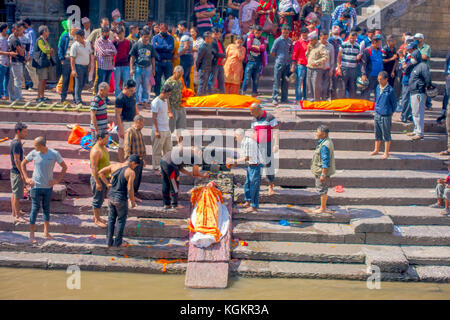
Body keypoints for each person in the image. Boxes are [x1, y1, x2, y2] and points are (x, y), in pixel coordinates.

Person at [21, 137, 67, 244]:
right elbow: (23, 164)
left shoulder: (54, 154)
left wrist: (57, 180)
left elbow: (64, 167)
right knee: (35, 209)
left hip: (48, 187)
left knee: (46, 208)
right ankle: (32, 235)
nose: (34, 147)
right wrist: (27, 179)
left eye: (35, 145)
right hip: (35, 186)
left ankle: (46, 232)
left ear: (41, 146)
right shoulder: (34, 153)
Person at [98, 155, 139, 247]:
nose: (135, 167)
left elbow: (100, 172)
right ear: (132, 162)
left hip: (111, 197)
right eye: (135, 165)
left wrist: (107, 184)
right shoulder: (130, 172)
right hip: (120, 199)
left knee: (111, 219)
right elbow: (130, 188)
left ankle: (108, 242)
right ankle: (118, 242)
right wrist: (132, 201)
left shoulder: (114, 165)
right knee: (121, 220)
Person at [250, 103, 279, 196]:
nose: (251, 113)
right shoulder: (254, 119)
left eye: (252, 111)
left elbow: (276, 132)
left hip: (267, 145)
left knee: (269, 165)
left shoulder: (270, 117)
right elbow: (254, 132)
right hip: (256, 145)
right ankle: (256, 187)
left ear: (258, 110)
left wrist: (276, 144)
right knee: (256, 165)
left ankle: (270, 186)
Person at [232, 129, 263, 213]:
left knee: (254, 186)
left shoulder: (249, 142)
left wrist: (235, 161)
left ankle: (254, 206)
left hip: (256, 166)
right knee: (247, 184)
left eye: (235, 136)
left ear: (239, 136)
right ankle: (248, 201)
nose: (234, 138)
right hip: (251, 165)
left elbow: (247, 157)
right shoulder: (244, 142)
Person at [370, 71, 397, 159]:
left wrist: (390, 112)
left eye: (381, 79)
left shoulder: (390, 90)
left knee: (386, 134)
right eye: (378, 79)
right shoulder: (378, 87)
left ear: (386, 79)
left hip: (386, 115)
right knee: (377, 132)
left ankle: (386, 152)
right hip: (377, 113)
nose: (379, 81)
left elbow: (394, 104)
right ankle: (376, 149)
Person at [311, 125, 335, 214]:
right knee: (322, 189)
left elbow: (325, 161)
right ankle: (322, 205)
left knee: (322, 189)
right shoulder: (325, 141)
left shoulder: (325, 146)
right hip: (321, 170)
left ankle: (323, 208)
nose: (316, 133)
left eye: (317, 132)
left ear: (323, 134)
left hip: (322, 171)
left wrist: (323, 174)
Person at [408, 48, 431, 140]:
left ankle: (420, 132)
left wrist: (428, 86)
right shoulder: (415, 66)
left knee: (419, 113)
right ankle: (416, 130)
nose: (411, 58)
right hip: (413, 92)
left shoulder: (423, 65)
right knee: (414, 113)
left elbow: (427, 78)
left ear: (417, 57)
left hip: (419, 92)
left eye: (413, 57)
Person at [130, 29, 156, 107]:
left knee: (145, 86)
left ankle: (145, 100)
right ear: (141, 36)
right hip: (138, 68)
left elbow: (153, 58)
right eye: (145, 37)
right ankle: (136, 101)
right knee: (136, 86)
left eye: (148, 37)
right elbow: (132, 58)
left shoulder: (150, 46)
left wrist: (153, 69)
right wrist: (131, 68)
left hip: (147, 68)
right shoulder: (136, 45)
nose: (146, 39)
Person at [89, 130, 110, 228]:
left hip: (105, 177)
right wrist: (97, 182)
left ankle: (98, 217)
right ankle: (96, 219)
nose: (107, 140)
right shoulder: (95, 151)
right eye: (106, 139)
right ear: (100, 139)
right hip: (98, 179)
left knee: (101, 199)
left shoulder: (104, 147)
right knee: (97, 199)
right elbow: (93, 167)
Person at [151, 84, 174, 174]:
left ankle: (167, 166)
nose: (169, 96)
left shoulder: (166, 100)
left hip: (166, 129)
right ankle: (156, 168)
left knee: (168, 149)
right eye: (168, 94)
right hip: (159, 129)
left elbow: (168, 109)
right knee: (157, 150)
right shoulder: (155, 102)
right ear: (163, 92)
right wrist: (156, 131)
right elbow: (154, 118)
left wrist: (170, 113)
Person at [116, 79, 139, 162]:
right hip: (124, 123)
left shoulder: (133, 95)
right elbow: (117, 115)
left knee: (132, 144)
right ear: (125, 88)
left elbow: (135, 106)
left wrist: (138, 119)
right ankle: (122, 163)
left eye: (133, 90)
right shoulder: (120, 98)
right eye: (131, 90)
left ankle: (130, 162)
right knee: (122, 145)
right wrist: (121, 129)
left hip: (133, 122)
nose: (132, 92)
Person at [124, 115, 147, 198]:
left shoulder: (139, 131)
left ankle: (134, 194)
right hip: (133, 161)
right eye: (142, 123)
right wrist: (129, 160)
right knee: (132, 179)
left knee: (137, 178)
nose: (143, 125)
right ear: (138, 122)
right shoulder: (130, 131)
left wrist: (142, 159)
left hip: (139, 159)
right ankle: (130, 196)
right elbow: (127, 146)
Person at [10, 122, 28, 224]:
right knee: (17, 195)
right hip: (17, 172)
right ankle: (17, 216)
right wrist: (22, 173)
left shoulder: (16, 142)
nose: (26, 134)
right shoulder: (16, 143)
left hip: (15, 171)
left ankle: (15, 212)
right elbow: (17, 160)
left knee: (14, 192)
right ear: (18, 131)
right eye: (24, 132)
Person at [241, 26, 266, 97]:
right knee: (247, 78)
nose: (257, 34)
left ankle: (254, 93)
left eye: (259, 33)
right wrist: (258, 48)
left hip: (259, 61)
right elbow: (248, 47)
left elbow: (263, 48)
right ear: (254, 31)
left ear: (261, 32)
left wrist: (254, 46)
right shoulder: (250, 37)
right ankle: (243, 92)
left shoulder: (264, 39)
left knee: (256, 79)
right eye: (256, 32)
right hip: (250, 60)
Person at [271, 26, 293, 106]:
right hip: (279, 63)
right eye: (284, 33)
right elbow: (272, 51)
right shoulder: (278, 40)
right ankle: (275, 98)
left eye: (287, 33)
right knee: (276, 81)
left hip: (287, 64)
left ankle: (284, 98)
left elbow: (291, 51)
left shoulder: (290, 41)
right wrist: (278, 58)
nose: (285, 34)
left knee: (285, 82)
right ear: (281, 32)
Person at [70, 29, 92, 105]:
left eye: (78, 37)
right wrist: (73, 70)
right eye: (75, 37)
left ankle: (77, 98)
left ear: (83, 37)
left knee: (83, 84)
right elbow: (72, 58)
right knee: (78, 84)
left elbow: (89, 54)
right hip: (78, 67)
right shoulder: (74, 45)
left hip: (86, 67)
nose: (76, 39)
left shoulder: (88, 43)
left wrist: (89, 65)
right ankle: (78, 100)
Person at [305, 31, 329, 102]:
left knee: (315, 85)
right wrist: (308, 49)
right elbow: (307, 56)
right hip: (309, 67)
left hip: (317, 69)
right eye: (309, 40)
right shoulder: (310, 45)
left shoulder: (321, 46)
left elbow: (326, 57)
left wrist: (316, 62)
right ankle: (310, 100)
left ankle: (316, 100)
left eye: (311, 40)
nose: (310, 42)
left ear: (315, 39)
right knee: (309, 85)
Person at [153, 23, 175, 97]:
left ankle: (167, 95)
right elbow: (154, 47)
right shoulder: (155, 38)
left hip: (168, 62)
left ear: (166, 30)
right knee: (157, 79)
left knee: (168, 80)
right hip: (158, 62)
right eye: (161, 29)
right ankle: (157, 95)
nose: (163, 31)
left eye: (164, 30)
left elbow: (171, 48)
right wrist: (165, 47)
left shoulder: (171, 38)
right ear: (159, 29)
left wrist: (159, 46)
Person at [336, 30, 360, 99]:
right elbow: (339, 57)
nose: (352, 39)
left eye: (353, 38)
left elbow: (358, 56)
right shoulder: (344, 44)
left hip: (353, 69)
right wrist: (339, 68)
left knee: (352, 86)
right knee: (343, 86)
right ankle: (342, 101)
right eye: (351, 38)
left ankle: (351, 102)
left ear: (356, 38)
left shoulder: (357, 46)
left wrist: (358, 57)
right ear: (349, 37)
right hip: (344, 68)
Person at [94, 27, 117, 98]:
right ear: (102, 33)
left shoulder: (109, 41)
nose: (107, 34)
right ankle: (98, 98)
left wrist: (108, 51)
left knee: (107, 84)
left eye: (108, 33)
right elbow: (102, 52)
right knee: (101, 83)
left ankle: (105, 98)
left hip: (109, 67)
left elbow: (115, 51)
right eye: (106, 33)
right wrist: (110, 51)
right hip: (102, 66)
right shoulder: (98, 41)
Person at [34, 25, 54, 103]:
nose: (48, 32)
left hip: (46, 63)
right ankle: (39, 97)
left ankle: (42, 96)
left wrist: (49, 50)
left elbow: (49, 50)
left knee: (44, 80)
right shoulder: (39, 40)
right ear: (44, 32)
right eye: (47, 31)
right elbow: (45, 50)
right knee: (41, 80)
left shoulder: (45, 40)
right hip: (41, 63)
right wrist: (49, 50)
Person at [164, 66, 186, 140]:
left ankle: (180, 143)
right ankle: (166, 144)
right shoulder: (168, 82)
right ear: (174, 72)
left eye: (181, 74)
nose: (180, 76)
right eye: (178, 74)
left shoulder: (179, 81)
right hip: (172, 107)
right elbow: (165, 97)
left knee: (180, 128)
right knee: (170, 128)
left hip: (180, 107)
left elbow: (181, 92)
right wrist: (169, 111)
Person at [361, 34, 384, 101]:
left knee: (378, 91)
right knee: (367, 91)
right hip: (370, 75)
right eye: (379, 42)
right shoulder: (367, 50)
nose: (380, 44)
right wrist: (363, 74)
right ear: (374, 42)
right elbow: (363, 63)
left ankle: (377, 106)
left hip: (379, 75)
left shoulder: (379, 50)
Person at [58, 22, 77, 104]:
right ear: (70, 29)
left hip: (75, 61)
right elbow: (60, 47)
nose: (75, 30)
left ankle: (76, 98)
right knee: (65, 79)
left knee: (76, 80)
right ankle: (63, 98)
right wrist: (61, 58)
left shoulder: (77, 37)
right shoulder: (65, 36)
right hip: (66, 59)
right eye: (74, 28)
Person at [8, 22, 26, 102]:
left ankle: (12, 97)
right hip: (16, 62)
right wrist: (23, 49)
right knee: (17, 81)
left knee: (12, 80)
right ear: (15, 30)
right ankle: (18, 98)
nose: (21, 32)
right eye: (20, 30)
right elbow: (21, 52)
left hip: (14, 62)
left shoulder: (14, 38)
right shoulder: (14, 39)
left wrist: (22, 49)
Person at [112, 26, 131, 98]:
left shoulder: (128, 42)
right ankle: (118, 97)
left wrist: (129, 64)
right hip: (116, 65)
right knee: (117, 83)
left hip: (125, 65)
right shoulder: (114, 42)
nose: (119, 35)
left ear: (123, 32)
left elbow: (129, 54)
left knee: (126, 82)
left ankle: (125, 96)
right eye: (118, 34)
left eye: (121, 33)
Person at [292, 27, 310, 102]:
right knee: (299, 82)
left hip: (308, 64)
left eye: (306, 34)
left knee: (306, 83)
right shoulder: (298, 42)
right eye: (304, 34)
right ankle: (298, 98)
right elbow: (294, 54)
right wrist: (293, 65)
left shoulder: (310, 42)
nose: (305, 35)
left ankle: (305, 98)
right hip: (300, 64)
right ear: (301, 34)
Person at [196, 32, 214, 96]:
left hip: (208, 67)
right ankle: (199, 98)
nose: (211, 39)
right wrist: (198, 68)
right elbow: (198, 59)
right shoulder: (202, 47)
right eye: (210, 37)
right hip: (203, 68)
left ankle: (203, 98)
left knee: (205, 84)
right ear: (206, 38)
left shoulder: (209, 45)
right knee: (202, 84)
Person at [23, 18, 38, 90]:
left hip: (29, 55)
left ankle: (36, 85)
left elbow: (32, 44)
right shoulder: (25, 32)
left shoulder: (31, 32)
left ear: (26, 24)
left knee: (31, 70)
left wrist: (30, 55)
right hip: (25, 54)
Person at [210, 28, 226, 94]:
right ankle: (211, 95)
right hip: (214, 63)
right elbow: (215, 53)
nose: (217, 36)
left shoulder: (220, 41)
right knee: (212, 81)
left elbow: (224, 51)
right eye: (215, 34)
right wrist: (223, 56)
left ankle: (222, 95)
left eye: (218, 34)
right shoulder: (211, 42)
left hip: (220, 64)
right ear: (212, 34)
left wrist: (224, 58)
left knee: (221, 81)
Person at [177, 21, 194, 88]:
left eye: (178, 27)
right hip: (188, 58)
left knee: (183, 76)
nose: (178, 29)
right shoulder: (188, 35)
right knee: (187, 77)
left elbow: (186, 47)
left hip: (185, 58)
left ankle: (184, 92)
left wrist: (178, 55)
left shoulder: (186, 36)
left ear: (182, 27)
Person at [0, 24, 14, 100]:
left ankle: (6, 94)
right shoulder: (0, 39)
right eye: (6, 29)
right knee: (1, 80)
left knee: (7, 80)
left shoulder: (6, 38)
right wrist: (9, 53)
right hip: (1, 62)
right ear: (3, 30)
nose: (7, 30)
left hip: (7, 62)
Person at [319, 32, 334, 101]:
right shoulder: (316, 45)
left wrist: (331, 69)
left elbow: (332, 59)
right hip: (318, 69)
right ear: (320, 37)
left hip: (327, 68)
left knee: (325, 85)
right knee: (318, 85)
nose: (324, 40)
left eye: (326, 38)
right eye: (323, 38)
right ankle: (317, 98)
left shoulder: (330, 46)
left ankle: (324, 98)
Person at [191, 27, 205, 92]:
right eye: (191, 32)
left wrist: (191, 48)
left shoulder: (200, 40)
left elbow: (200, 49)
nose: (192, 33)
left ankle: (197, 92)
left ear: (196, 32)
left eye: (193, 32)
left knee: (197, 76)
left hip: (197, 60)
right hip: (190, 60)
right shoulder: (189, 39)